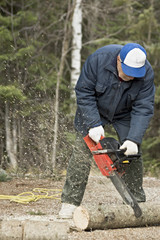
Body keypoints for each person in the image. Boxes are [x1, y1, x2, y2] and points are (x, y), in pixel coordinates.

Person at [59, 43, 155, 218]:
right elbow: (84, 91)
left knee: (133, 153)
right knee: (82, 152)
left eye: (135, 75)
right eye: (127, 72)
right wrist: (93, 123)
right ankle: (70, 202)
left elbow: (143, 107)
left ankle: (136, 200)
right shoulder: (98, 59)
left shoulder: (146, 72)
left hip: (125, 113)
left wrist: (133, 139)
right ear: (119, 60)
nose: (131, 77)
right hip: (94, 109)